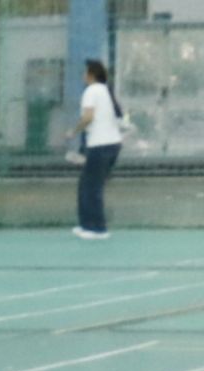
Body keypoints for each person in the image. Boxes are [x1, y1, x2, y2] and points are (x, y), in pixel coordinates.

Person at [71, 58, 123, 241]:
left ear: (91, 74)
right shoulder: (106, 90)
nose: (83, 75)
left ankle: (98, 229)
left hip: (100, 145)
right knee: (89, 185)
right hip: (113, 145)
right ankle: (87, 225)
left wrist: (73, 131)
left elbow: (88, 117)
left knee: (91, 187)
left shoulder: (91, 91)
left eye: (85, 72)